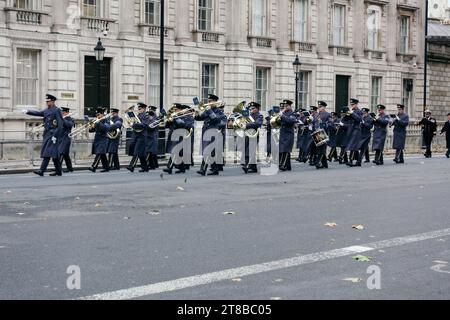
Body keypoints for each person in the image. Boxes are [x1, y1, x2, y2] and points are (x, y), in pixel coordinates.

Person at [23, 94, 63, 177]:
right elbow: (38, 113)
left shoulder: (56, 110)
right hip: (47, 134)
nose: (47, 103)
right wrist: (27, 111)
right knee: (53, 154)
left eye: (48, 101)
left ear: (52, 101)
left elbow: (60, 125)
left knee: (47, 152)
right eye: (46, 101)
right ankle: (58, 171)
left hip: (53, 134)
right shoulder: (46, 110)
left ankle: (41, 170)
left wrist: (55, 136)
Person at [196, 94, 227, 176]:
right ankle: (214, 169)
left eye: (210, 101)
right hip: (206, 132)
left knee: (209, 152)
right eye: (208, 101)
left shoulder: (219, 111)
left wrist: (209, 110)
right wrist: (196, 113)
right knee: (210, 152)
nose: (208, 102)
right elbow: (200, 118)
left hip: (213, 133)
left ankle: (203, 169)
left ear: (215, 102)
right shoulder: (207, 110)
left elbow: (215, 119)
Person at [164, 104, 194, 174]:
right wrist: (169, 120)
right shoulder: (175, 117)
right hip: (175, 136)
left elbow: (185, 125)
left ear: (180, 110)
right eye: (174, 110)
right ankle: (182, 168)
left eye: (176, 109)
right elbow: (167, 126)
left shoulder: (188, 117)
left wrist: (176, 118)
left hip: (183, 137)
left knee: (175, 151)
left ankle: (169, 167)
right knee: (179, 153)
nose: (175, 111)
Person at [127, 103, 150, 173]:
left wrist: (134, 124)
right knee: (141, 153)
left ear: (144, 109)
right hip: (136, 135)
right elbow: (135, 123)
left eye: (140, 109)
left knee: (137, 151)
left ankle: (131, 166)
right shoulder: (138, 115)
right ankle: (145, 167)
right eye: (138, 109)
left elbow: (144, 125)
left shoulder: (146, 116)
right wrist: (131, 123)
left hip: (142, 136)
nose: (139, 110)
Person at [242, 102, 263, 174]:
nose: (251, 109)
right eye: (251, 108)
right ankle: (253, 167)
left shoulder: (259, 116)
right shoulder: (249, 115)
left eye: (253, 108)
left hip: (254, 135)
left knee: (251, 150)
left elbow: (257, 123)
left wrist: (246, 125)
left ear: (257, 109)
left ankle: (247, 165)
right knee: (247, 149)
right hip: (248, 134)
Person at [88, 108, 110, 173]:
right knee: (102, 154)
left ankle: (94, 167)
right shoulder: (98, 121)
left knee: (99, 153)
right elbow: (91, 131)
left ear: (102, 114)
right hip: (97, 139)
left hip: (103, 139)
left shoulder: (106, 120)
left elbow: (105, 128)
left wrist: (98, 123)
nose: (97, 116)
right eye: (97, 114)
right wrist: (91, 126)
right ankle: (106, 167)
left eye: (98, 114)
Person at [312, 101, 332, 169]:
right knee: (320, 149)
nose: (319, 108)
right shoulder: (317, 114)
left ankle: (317, 162)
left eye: (320, 107)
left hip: (323, 133)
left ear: (324, 107)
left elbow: (330, 123)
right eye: (318, 107)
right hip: (317, 133)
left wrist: (325, 124)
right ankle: (325, 164)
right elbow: (314, 122)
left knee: (322, 148)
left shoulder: (327, 114)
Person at [279, 100, 297, 171]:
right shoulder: (283, 113)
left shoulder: (293, 113)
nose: (285, 107)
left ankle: (282, 164)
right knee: (282, 149)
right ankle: (288, 166)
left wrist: (282, 116)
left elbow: (290, 121)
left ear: (290, 106)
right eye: (284, 106)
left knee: (286, 149)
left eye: (286, 106)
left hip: (289, 133)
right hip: (283, 133)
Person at [346, 99, 363, 167]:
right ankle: (358, 161)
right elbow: (346, 119)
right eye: (351, 105)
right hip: (351, 130)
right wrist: (347, 114)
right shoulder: (351, 111)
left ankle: (351, 160)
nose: (352, 106)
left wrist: (352, 113)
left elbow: (359, 119)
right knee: (354, 146)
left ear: (356, 104)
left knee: (353, 145)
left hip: (356, 129)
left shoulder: (359, 111)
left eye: (353, 104)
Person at [59, 107, 74, 173]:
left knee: (61, 152)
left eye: (64, 112)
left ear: (67, 112)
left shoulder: (70, 119)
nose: (62, 113)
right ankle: (70, 168)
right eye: (62, 112)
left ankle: (58, 167)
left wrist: (62, 119)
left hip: (66, 137)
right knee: (65, 154)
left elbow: (69, 125)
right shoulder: (61, 119)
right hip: (60, 137)